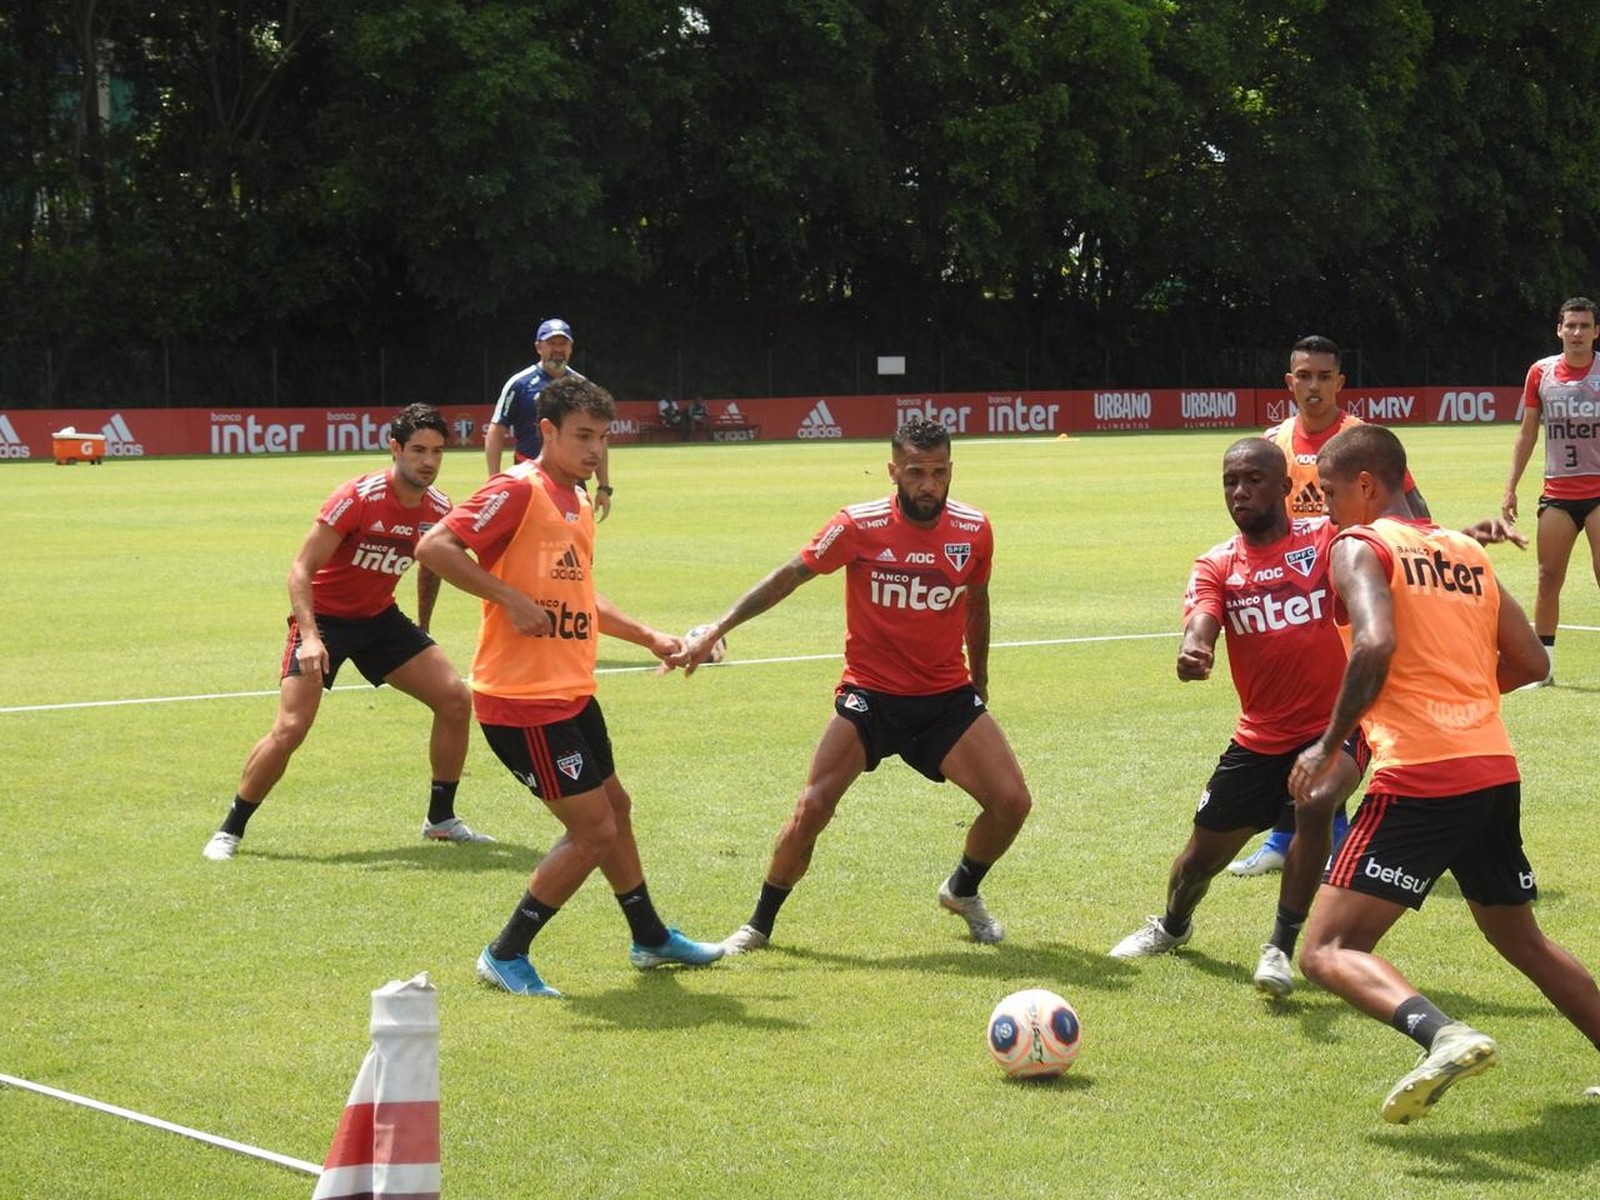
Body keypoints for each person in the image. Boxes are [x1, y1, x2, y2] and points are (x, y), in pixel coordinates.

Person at [1290, 423, 1600, 1124]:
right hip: (1491, 767)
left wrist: (1329, 744)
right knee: (1520, 937)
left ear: (1366, 484)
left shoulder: (1357, 545)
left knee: (1329, 949)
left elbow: (1374, 642)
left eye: (1331, 492)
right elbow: (1530, 662)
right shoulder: (1464, 550)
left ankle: (1444, 1035)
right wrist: (1461, 703)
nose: (1327, 506)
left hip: (1421, 774)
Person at [674, 414, 1032, 952]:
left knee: (1012, 803)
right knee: (813, 806)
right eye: (915, 472)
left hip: (943, 697)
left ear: (952, 469)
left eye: (938, 472)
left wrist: (980, 676)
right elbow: (789, 576)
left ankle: (962, 889)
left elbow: (976, 604)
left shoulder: (974, 529)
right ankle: (758, 925)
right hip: (871, 695)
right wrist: (717, 629)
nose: (928, 485)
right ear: (893, 470)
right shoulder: (857, 525)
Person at [416, 375, 723, 997]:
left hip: (571, 693)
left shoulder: (577, 501)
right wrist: (506, 596)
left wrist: (652, 638)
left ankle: (649, 936)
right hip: (522, 703)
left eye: (604, 438)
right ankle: (506, 952)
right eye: (583, 436)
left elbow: (582, 597)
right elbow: (434, 546)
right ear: (547, 431)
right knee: (593, 830)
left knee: (616, 810)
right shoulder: (516, 489)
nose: (595, 449)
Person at [1108, 438, 1363, 996]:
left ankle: (1280, 946)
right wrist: (1193, 649)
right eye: (1230, 481)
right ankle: (1173, 925)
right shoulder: (1217, 562)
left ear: (1285, 487)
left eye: (1252, 479)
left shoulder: (1323, 539)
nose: (1239, 491)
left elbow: (1390, 546)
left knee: (1316, 803)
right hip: (1257, 742)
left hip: (1332, 729)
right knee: (1196, 864)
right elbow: (1202, 616)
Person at [202, 403, 489, 861]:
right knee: (292, 728)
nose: (428, 461)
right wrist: (311, 637)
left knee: (455, 699)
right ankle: (229, 829)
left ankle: (440, 820)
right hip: (326, 622)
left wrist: (424, 628)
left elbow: (432, 564)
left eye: (437, 451)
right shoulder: (358, 497)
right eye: (418, 450)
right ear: (395, 448)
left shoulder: (438, 507)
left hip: (380, 620)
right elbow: (300, 569)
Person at [1230, 334, 1430, 876]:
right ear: (1288, 382)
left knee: (1336, 718)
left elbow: (1409, 507)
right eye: (1304, 376)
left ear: (1340, 383)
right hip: (1293, 605)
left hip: (1349, 596)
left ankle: (1333, 836)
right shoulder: (1272, 443)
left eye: (1324, 376)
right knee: (1289, 715)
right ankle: (1281, 840)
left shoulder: (1360, 440)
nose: (1313, 386)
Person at [1501, 295, 1600, 688]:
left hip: (1598, 491)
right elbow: (1527, 433)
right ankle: (1544, 669)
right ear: (1559, 329)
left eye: (1584, 326)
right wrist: (1510, 488)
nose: (1577, 332)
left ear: (1596, 332)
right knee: (1547, 577)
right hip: (1558, 492)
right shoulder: (1540, 373)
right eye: (1570, 325)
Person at [484, 317, 613, 519]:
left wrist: (604, 487)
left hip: (573, 477)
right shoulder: (519, 384)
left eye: (563, 343)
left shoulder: (583, 387)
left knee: (577, 540)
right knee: (530, 538)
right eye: (551, 343)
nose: (558, 349)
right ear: (538, 347)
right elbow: (497, 429)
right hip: (528, 476)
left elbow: (599, 437)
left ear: (571, 347)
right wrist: (493, 479)